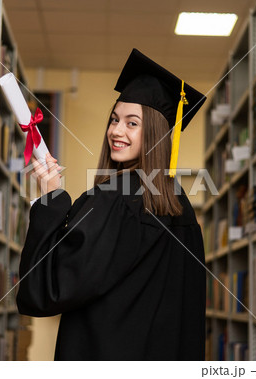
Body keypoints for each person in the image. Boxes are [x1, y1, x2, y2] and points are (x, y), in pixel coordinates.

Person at [16, 49, 207, 360]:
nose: (116, 131)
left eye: (132, 123)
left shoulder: (114, 199)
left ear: (156, 133)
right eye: (115, 119)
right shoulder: (180, 204)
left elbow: (46, 290)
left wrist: (51, 198)